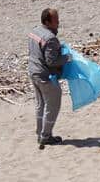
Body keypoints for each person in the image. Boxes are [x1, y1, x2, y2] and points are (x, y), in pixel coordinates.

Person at [27, 8, 70, 148]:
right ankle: (46, 136)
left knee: (40, 104)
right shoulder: (51, 38)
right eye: (56, 20)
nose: (58, 23)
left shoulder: (34, 31)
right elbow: (51, 61)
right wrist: (67, 58)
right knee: (52, 105)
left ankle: (40, 133)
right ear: (47, 21)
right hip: (44, 76)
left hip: (33, 72)